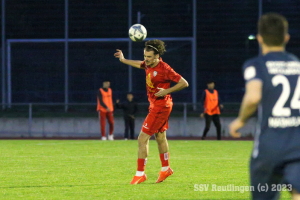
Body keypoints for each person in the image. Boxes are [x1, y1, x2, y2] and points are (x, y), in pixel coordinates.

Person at [229, 13, 300, 200]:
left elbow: (253, 97)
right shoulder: (297, 64)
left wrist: (240, 120)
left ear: (260, 38)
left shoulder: (256, 65)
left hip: (268, 148)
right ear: (286, 38)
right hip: (296, 146)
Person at [114, 39, 189, 184]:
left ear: (157, 56)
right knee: (160, 138)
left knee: (142, 139)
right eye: (145, 56)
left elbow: (184, 83)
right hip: (157, 105)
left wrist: (166, 90)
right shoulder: (148, 64)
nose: (146, 59)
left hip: (161, 106)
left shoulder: (165, 68)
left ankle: (140, 173)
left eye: (149, 57)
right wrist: (123, 60)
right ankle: (165, 168)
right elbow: (139, 64)